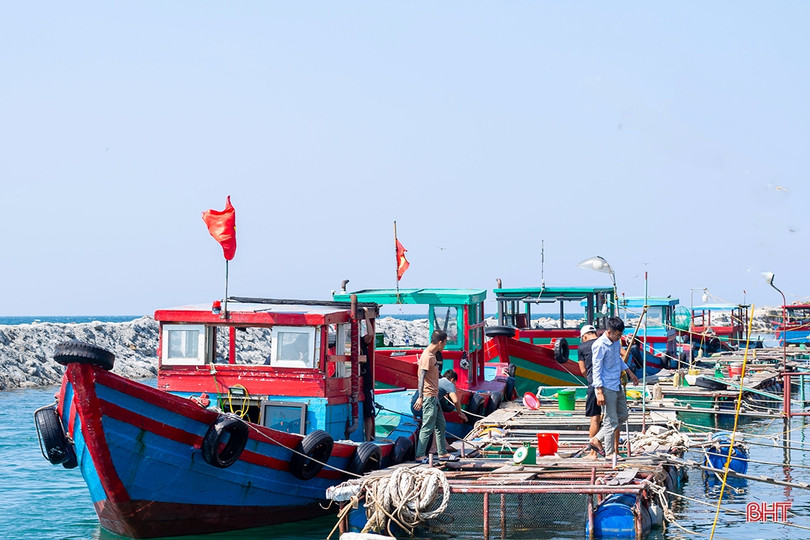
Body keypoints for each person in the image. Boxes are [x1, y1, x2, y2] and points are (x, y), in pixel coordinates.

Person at [590, 317, 639, 465]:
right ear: (609, 332)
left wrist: (630, 373)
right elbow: (596, 368)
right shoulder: (599, 345)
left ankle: (596, 438)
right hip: (605, 386)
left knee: (622, 415)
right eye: (617, 334)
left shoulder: (616, 342)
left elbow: (618, 360)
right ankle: (610, 453)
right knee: (610, 421)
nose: (619, 337)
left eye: (620, 334)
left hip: (616, 383)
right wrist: (599, 391)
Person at [413, 330, 456, 461]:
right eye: (444, 344)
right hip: (428, 396)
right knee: (427, 426)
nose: (444, 347)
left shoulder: (432, 356)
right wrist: (420, 397)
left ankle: (442, 452)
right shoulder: (427, 357)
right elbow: (421, 377)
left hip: (434, 396)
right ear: (439, 342)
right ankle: (420, 455)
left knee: (441, 424)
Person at [576, 324, 603, 459]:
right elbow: (622, 354)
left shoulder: (582, 347)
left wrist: (590, 380)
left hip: (594, 385)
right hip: (610, 384)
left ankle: (593, 453)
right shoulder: (605, 342)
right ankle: (612, 450)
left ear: (584, 336)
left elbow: (582, 370)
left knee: (595, 418)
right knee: (611, 418)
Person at [360, 311, 375, 441]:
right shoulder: (341, 344)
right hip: (353, 382)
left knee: (368, 412)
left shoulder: (361, 342)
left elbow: (370, 334)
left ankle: (368, 439)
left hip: (366, 380)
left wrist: (366, 317)